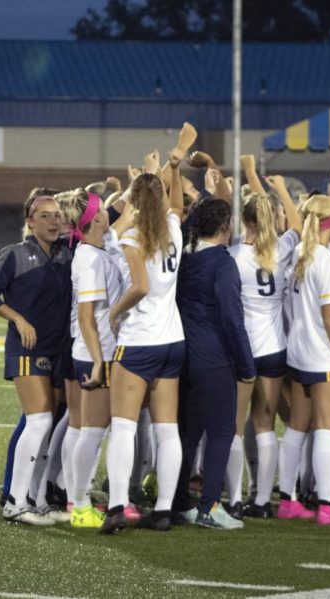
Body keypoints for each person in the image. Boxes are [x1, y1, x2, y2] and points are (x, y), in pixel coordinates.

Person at [100, 160, 186, 534]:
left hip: (139, 342)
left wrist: (113, 315)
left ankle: (117, 506)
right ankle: (164, 510)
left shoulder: (132, 238)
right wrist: (174, 170)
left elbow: (139, 287)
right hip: (172, 341)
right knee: (168, 431)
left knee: (122, 428)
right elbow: (178, 208)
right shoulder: (173, 231)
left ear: (134, 201)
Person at [0, 189, 73, 525]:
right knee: (39, 422)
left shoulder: (67, 254)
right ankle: (15, 502)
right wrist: (17, 318)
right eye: (44, 215)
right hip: (27, 349)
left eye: (57, 215)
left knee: (49, 426)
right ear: (30, 223)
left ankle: (39, 500)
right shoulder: (15, 254)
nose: (53, 220)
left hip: (58, 350)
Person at [172, 198, 257, 529]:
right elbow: (232, 320)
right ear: (225, 227)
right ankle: (209, 506)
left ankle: (180, 502)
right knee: (222, 431)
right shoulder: (222, 263)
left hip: (183, 354)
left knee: (187, 433)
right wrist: (246, 365)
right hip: (213, 357)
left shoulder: (184, 258)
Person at [227, 176, 302, 519]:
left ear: (245, 221)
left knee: (233, 427)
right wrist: (284, 191)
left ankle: (234, 499)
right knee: (265, 425)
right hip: (275, 348)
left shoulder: (233, 256)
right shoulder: (281, 249)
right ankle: (261, 503)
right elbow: (298, 226)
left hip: (243, 349)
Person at [280, 194, 330, 525]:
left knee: (296, 428)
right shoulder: (326, 261)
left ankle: (287, 499)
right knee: (326, 430)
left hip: (298, 353)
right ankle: (326, 506)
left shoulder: (299, 253)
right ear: (326, 221)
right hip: (323, 357)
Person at [64, 189, 130, 528]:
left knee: (89, 430)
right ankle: (79, 505)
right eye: (105, 210)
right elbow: (86, 316)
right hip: (95, 353)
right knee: (91, 431)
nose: (110, 212)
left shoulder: (96, 250)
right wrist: (98, 361)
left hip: (98, 351)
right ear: (96, 219)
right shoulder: (89, 258)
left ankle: (79, 499)